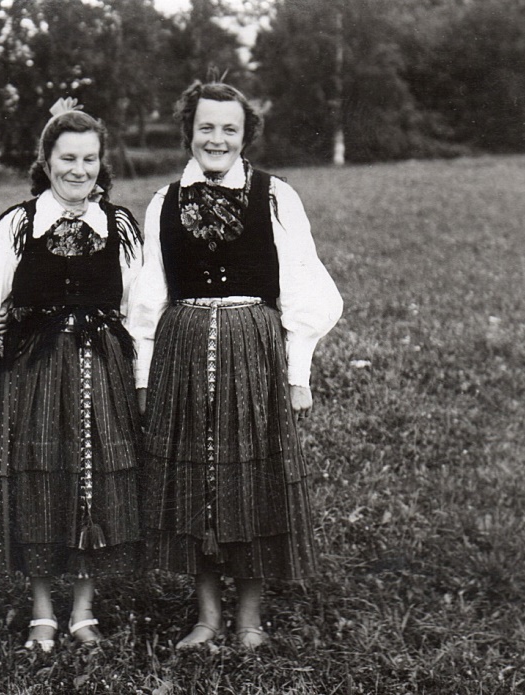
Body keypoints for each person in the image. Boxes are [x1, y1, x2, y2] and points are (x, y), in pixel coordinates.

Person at [134, 81, 342, 650]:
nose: (217, 138)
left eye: (230, 128)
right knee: (196, 477)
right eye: (206, 127)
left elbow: (306, 285)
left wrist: (297, 372)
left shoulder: (276, 196)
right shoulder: (163, 202)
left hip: (253, 345)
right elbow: (148, 296)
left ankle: (248, 619)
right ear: (189, 132)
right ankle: (206, 617)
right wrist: (144, 377)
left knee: (249, 476)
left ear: (246, 134)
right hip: (182, 343)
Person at [0, 100, 146, 651]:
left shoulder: (119, 226)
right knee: (41, 478)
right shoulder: (18, 224)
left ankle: (83, 609)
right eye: (67, 158)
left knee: (92, 479)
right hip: (37, 373)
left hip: (102, 370)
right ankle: (42, 610)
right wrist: (15, 350)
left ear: (102, 164)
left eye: (90, 159)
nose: (79, 170)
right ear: (46, 161)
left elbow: (137, 306)